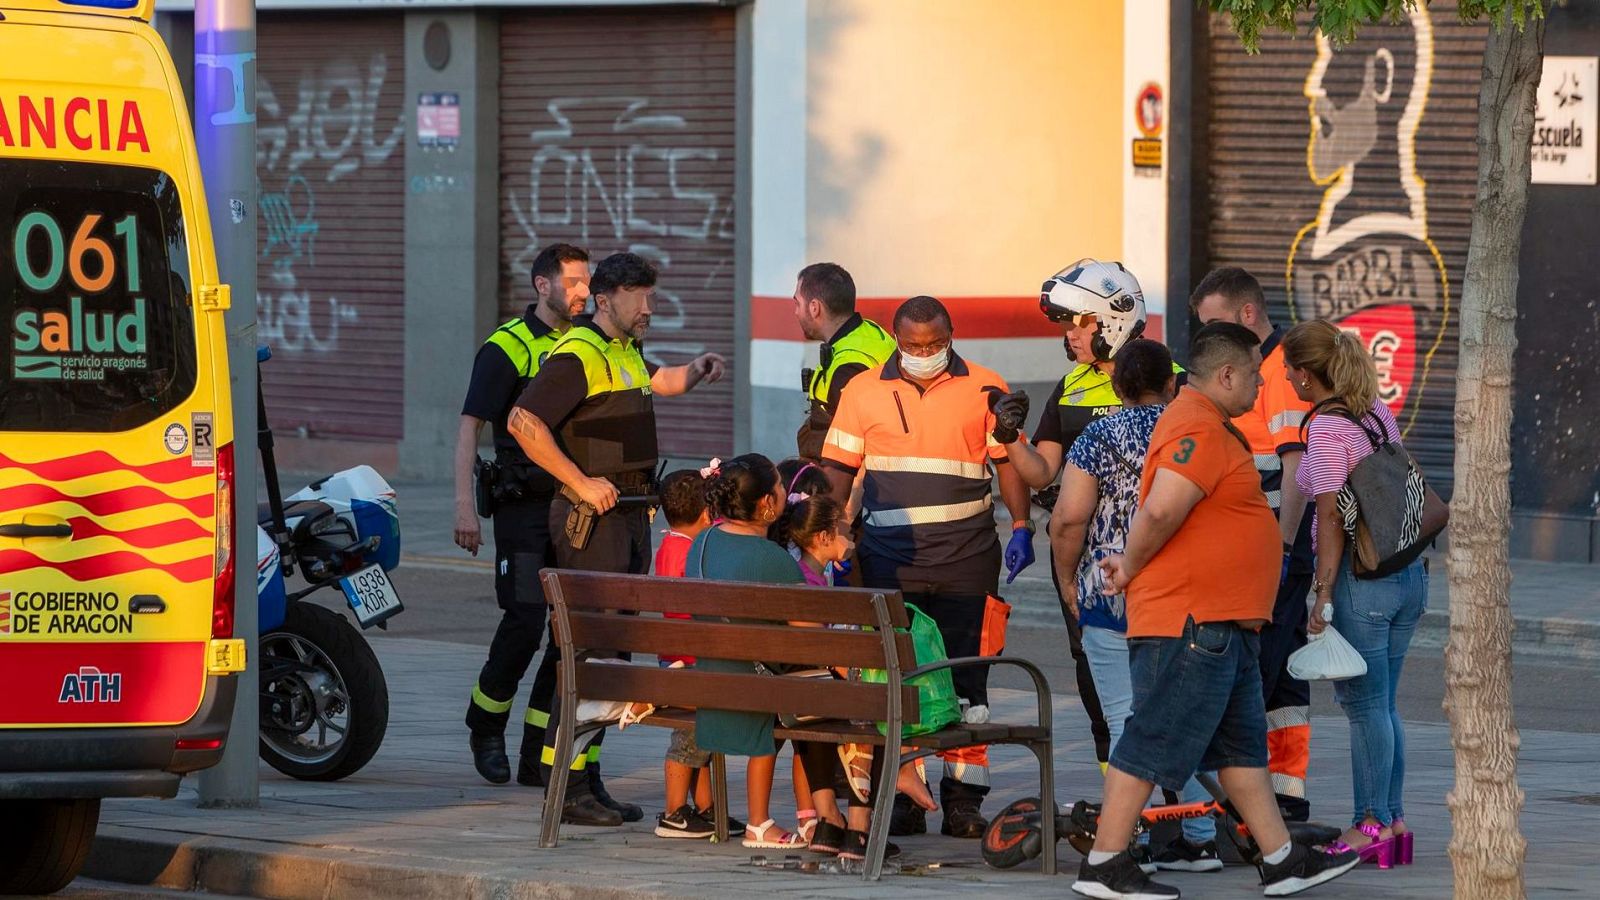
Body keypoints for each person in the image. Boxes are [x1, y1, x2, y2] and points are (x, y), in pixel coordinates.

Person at [1076, 323, 1360, 899]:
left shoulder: (1210, 426)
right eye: (1256, 373)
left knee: (1239, 747)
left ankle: (1280, 859)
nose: (1262, 384)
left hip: (1223, 621)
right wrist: (1128, 568)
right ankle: (1105, 863)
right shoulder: (1196, 427)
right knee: (1152, 736)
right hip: (1190, 620)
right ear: (1227, 374)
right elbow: (1160, 511)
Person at [509, 251, 727, 826]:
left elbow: (659, 382)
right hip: (594, 521)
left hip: (630, 512)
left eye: (651, 297)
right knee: (591, 654)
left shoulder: (623, 351)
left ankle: (591, 780)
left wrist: (697, 369)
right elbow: (521, 423)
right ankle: (569, 785)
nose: (649, 308)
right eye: (640, 297)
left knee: (613, 654)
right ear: (605, 299)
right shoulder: (579, 354)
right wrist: (579, 482)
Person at [820, 296, 1035, 839]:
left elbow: (1006, 463)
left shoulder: (986, 386)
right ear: (895, 339)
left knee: (970, 679)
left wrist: (1023, 525)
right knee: (901, 679)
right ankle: (905, 796)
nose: (924, 353)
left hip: (968, 555)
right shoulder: (862, 390)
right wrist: (832, 533)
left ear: (951, 335)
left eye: (934, 344)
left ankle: (963, 801)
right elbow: (838, 471)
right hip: (890, 560)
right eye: (913, 345)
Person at [1048, 338, 1221, 873]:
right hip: (1180, 594)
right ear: (1173, 384)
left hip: (1110, 592)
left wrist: (1067, 580)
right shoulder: (1193, 433)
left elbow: (1069, 520)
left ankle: (1131, 841)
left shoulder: (1100, 434)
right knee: (1165, 717)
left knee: (1128, 719)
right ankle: (1198, 834)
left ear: (1117, 386)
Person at [1006, 259, 1169, 774]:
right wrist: (1009, 438)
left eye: (1082, 322)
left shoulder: (1172, 383)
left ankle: (1170, 797)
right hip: (1088, 560)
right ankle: (1116, 783)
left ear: (1116, 319)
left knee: (1161, 667)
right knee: (1093, 669)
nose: (1071, 335)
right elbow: (1042, 474)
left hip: (1156, 556)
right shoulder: (1071, 386)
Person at [1284, 320, 1427, 866]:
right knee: (1384, 705)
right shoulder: (1375, 412)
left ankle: (1370, 824)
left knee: (1365, 707)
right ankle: (1393, 821)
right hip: (1408, 574)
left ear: (1304, 374)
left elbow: (1328, 514)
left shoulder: (1324, 428)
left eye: (1289, 371)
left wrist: (1321, 594)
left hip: (1360, 580)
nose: (1288, 381)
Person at [456, 242, 589, 788]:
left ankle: (539, 747)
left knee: (566, 634)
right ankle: (486, 727)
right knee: (526, 621)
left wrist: (692, 373)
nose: (585, 291)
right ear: (543, 286)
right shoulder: (506, 347)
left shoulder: (589, 344)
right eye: (575, 282)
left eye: (588, 282)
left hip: (573, 506)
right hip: (522, 506)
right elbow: (471, 426)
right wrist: (464, 505)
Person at [1191, 267, 1317, 822]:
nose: (1206, 338)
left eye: (1214, 323)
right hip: (1274, 543)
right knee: (1284, 674)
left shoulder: (1275, 371)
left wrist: (1284, 550)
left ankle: (1254, 805)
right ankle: (1284, 795)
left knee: (1256, 673)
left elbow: (1297, 467)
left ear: (1246, 315)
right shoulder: (1260, 367)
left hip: (1274, 544)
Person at [685, 454, 850, 853]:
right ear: (766, 505)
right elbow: (812, 633)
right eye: (779, 488)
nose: (783, 494)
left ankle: (789, 818)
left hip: (709, 676)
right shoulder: (772, 559)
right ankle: (819, 815)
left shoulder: (703, 541)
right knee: (828, 691)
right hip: (755, 682)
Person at [650, 469, 721, 840]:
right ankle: (674, 812)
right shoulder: (693, 553)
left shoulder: (669, 545)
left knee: (700, 737)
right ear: (707, 513)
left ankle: (706, 810)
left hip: (677, 658)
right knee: (689, 738)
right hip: (688, 662)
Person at [792, 263, 898, 460]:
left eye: (797, 303)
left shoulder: (848, 368)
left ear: (814, 308)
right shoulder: (868, 332)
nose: (796, 312)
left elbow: (853, 449)